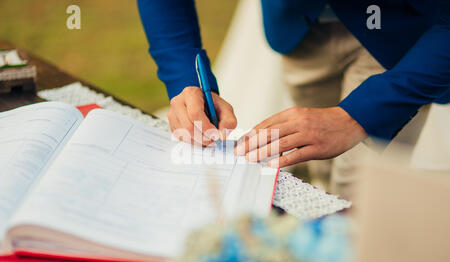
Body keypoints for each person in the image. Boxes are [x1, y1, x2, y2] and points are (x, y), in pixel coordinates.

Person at [137, 0, 450, 198]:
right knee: (323, 178)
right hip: (299, 28)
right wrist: (186, 82)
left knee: (358, 196)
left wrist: (357, 116)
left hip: (402, 30)